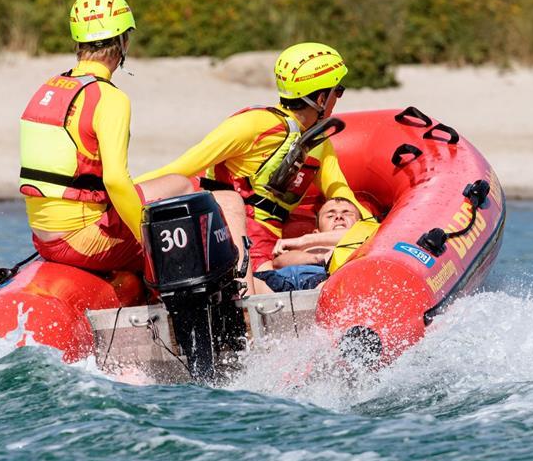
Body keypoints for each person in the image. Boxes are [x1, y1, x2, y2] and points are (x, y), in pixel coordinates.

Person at [137, 42, 373, 293]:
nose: (339, 98)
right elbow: (182, 166)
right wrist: (120, 194)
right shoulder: (254, 124)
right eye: (339, 91)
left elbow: (343, 196)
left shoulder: (319, 146)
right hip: (228, 234)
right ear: (322, 98)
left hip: (268, 244)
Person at [20, 0, 206, 276]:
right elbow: (116, 181)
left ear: (78, 42)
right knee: (184, 186)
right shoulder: (109, 98)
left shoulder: (49, 87)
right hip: (82, 240)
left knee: (162, 185)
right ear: (123, 42)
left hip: (43, 238)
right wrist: (149, 242)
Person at [255, 197, 362, 292]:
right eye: (330, 215)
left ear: (361, 223)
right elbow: (278, 262)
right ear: (316, 232)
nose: (339, 216)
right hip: (286, 277)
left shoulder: (368, 237)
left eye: (347, 213)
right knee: (247, 284)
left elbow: (358, 233)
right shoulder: (307, 247)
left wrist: (304, 240)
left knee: (330, 286)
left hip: (326, 280)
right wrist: (319, 258)